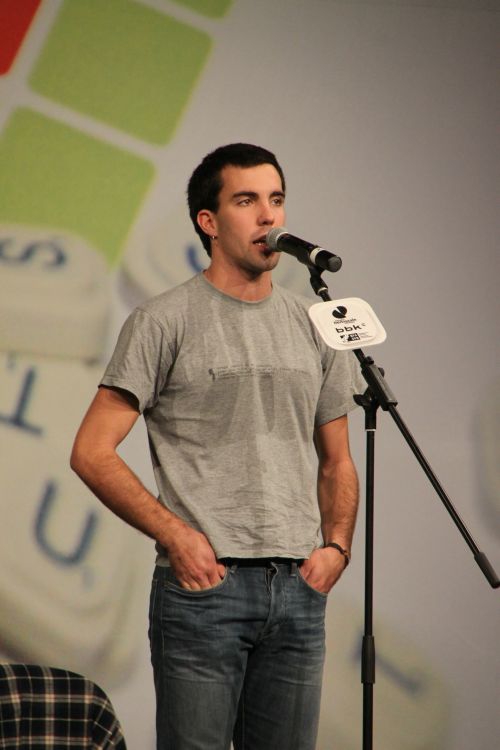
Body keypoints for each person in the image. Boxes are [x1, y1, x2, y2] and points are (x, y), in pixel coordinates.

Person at [71, 143, 362, 750]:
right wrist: (178, 537)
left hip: (299, 589)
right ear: (209, 221)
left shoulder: (316, 325)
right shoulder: (162, 320)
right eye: (246, 200)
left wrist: (336, 548)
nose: (268, 216)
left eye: (276, 199)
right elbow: (92, 451)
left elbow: (337, 460)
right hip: (206, 590)